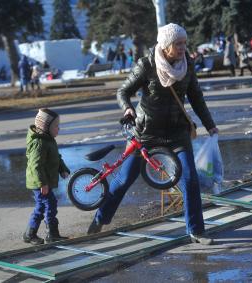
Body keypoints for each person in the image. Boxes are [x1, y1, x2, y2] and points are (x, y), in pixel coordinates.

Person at [86, 23, 218, 245]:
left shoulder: (188, 63)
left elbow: (196, 96)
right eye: (178, 44)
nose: (183, 48)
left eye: (184, 43)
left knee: (190, 179)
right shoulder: (147, 64)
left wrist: (209, 124)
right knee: (124, 179)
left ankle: (196, 231)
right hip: (145, 133)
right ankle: (100, 218)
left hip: (177, 131)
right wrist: (127, 108)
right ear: (166, 46)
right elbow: (123, 91)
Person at [23, 108, 70, 245]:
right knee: (49, 205)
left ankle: (30, 234)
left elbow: (56, 158)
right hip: (39, 182)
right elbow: (35, 165)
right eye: (56, 126)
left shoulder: (48, 140)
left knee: (43, 206)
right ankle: (50, 234)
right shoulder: (40, 143)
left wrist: (63, 170)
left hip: (43, 181)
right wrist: (42, 183)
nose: (58, 129)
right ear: (45, 127)